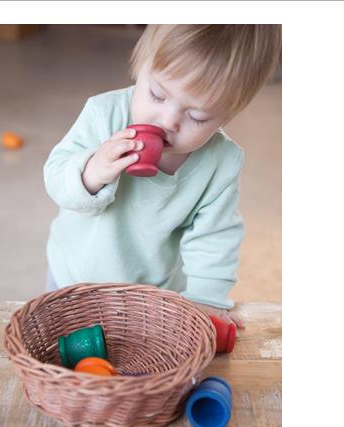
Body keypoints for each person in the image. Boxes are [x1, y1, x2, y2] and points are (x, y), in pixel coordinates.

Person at [43, 24, 281, 327]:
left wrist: (206, 301)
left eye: (197, 116)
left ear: (229, 115)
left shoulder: (221, 163)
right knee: (67, 349)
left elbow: (214, 238)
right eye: (157, 95)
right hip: (74, 280)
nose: (168, 121)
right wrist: (92, 171)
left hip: (153, 296)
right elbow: (56, 177)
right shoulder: (104, 115)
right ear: (140, 66)